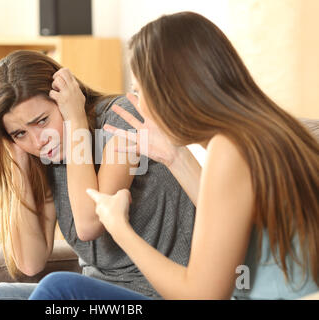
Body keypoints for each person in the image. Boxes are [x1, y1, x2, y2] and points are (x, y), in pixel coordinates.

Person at [28, 12, 319, 300]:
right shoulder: (269, 132)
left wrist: (120, 229)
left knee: (58, 290)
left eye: (140, 93)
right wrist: (173, 156)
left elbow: (201, 294)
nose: (138, 106)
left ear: (171, 92)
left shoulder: (230, 149)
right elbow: (243, 222)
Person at [0, 50, 197, 299]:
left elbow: (90, 223)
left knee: (57, 287)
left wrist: (76, 121)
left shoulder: (121, 120)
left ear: (65, 99)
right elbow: (30, 262)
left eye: (41, 120)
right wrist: (19, 163)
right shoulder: (44, 155)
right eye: (20, 133)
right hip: (96, 294)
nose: (39, 141)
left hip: (156, 294)